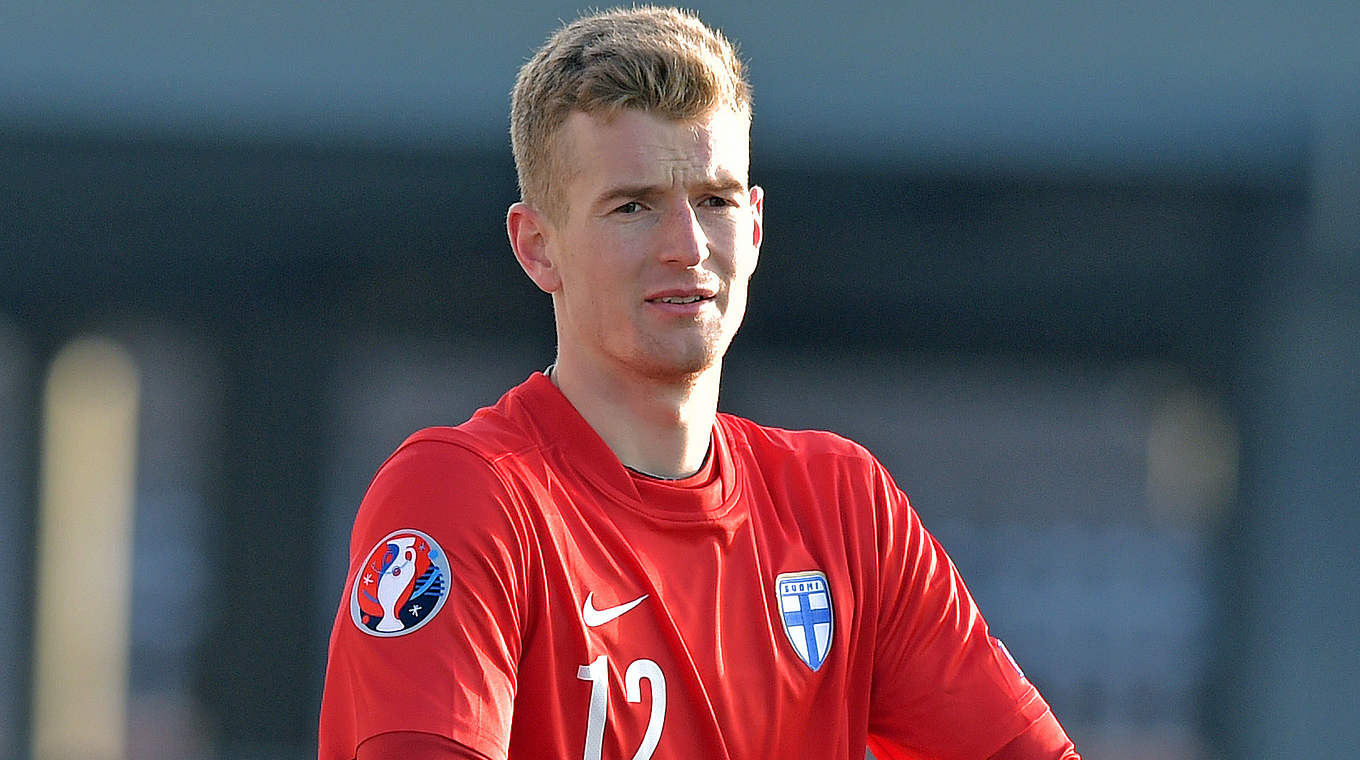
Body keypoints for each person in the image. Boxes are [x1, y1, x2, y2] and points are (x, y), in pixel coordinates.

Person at [318, 6, 1080, 759]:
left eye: (713, 200)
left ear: (753, 227)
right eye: (632, 207)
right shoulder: (465, 496)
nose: (685, 246)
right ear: (536, 247)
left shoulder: (844, 504)